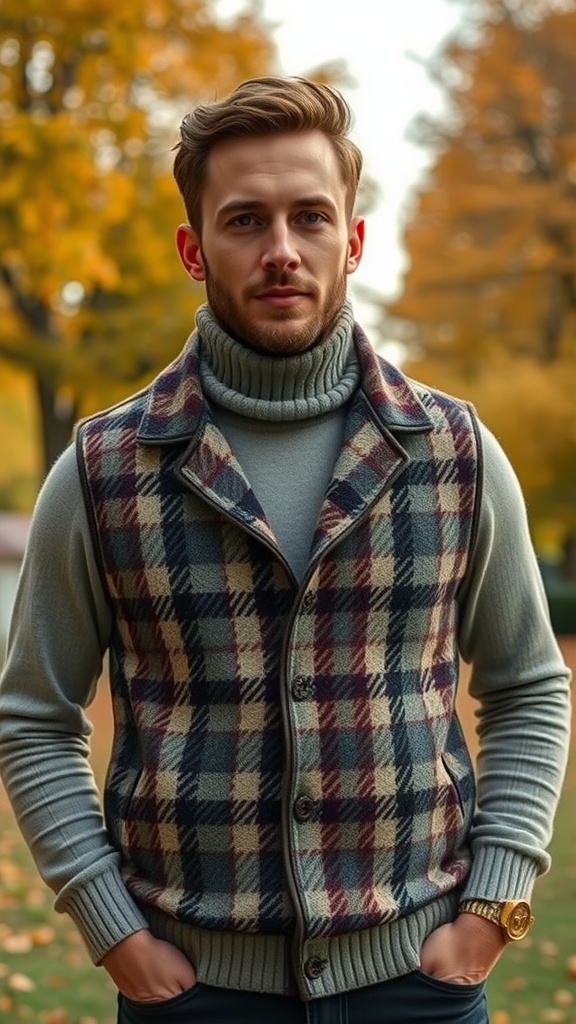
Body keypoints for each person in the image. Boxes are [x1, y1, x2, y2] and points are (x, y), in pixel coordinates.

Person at [0, 76, 571, 1024]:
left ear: (351, 238)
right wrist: (114, 933)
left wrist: (490, 913)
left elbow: (528, 687)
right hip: (191, 992)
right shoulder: (103, 470)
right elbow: (33, 716)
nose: (281, 251)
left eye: (311, 217)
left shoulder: (455, 452)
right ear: (194, 248)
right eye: (243, 220)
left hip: (418, 986)